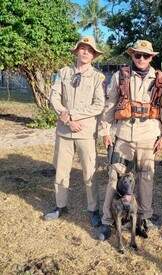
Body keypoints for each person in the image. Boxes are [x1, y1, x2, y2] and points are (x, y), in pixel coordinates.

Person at [99, 40, 162, 237]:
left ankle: (144, 218)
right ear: (131, 55)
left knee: (146, 178)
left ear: (152, 57)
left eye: (146, 55)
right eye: (137, 55)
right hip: (123, 135)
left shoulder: (159, 79)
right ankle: (107, 220)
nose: (141, 59)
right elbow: (110, 104)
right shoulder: (119, 76)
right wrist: (105, 131)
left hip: (149, 136)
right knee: (114, 178)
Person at [45, 36, 105, 227]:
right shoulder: (63, 72)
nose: (85, 52)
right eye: (82, 48)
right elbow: (54, 96)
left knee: (89, 172)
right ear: (76, 51)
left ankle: (93, 209)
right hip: (64, 130)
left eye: (89, 49)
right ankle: (60, 205)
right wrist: (65, 115)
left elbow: (99, 105)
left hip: (85, 132)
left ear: (94, 55)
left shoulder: (98, 77)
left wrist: (73, 115)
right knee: (61, 171)